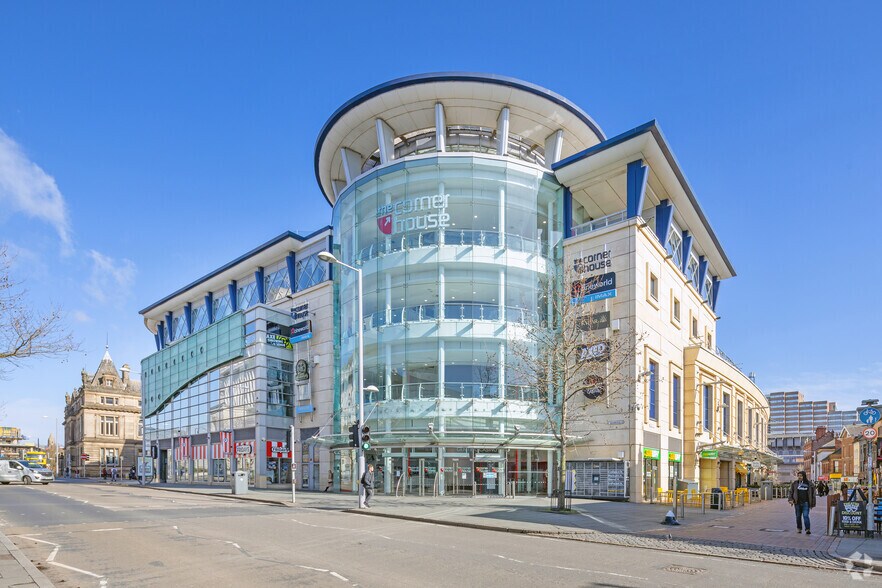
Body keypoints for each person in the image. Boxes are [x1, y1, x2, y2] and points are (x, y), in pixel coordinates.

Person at [789, 471, 816, 535]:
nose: (799, 477)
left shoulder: (809, 484)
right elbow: (791, 492)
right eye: (798, 476)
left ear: (804, 476)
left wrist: (812, 504)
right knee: (798, 516)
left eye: (801, 476)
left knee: (805, 516)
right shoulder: (795, 484)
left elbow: (813, 495)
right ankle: (799, 528)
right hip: (797, 503)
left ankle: (807, 529)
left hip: (806, 503)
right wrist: (790, 499)